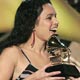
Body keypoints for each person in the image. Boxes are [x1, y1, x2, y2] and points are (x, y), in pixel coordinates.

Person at [0, 0, 80, 80]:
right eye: (49, 18)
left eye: (55, 17)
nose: (56, 22)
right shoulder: (13, 53)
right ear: (32, 23)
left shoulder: (57, 56)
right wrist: (32, 78)